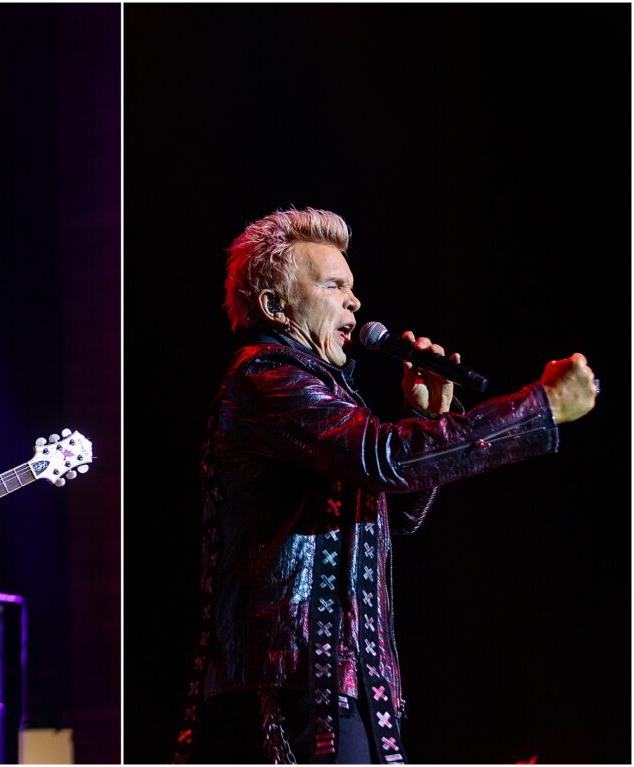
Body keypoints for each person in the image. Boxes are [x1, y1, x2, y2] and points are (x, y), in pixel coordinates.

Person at [184, 207, 597, 764]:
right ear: (274, 305)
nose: (355, 302)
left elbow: (394, 509)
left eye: (353, 287)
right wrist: (538, 408)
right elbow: (383, 457)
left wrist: (423, 417)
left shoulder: (322, 392)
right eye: (333, 285)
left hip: (345, 675)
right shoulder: (266, 378)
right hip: (292, 674)